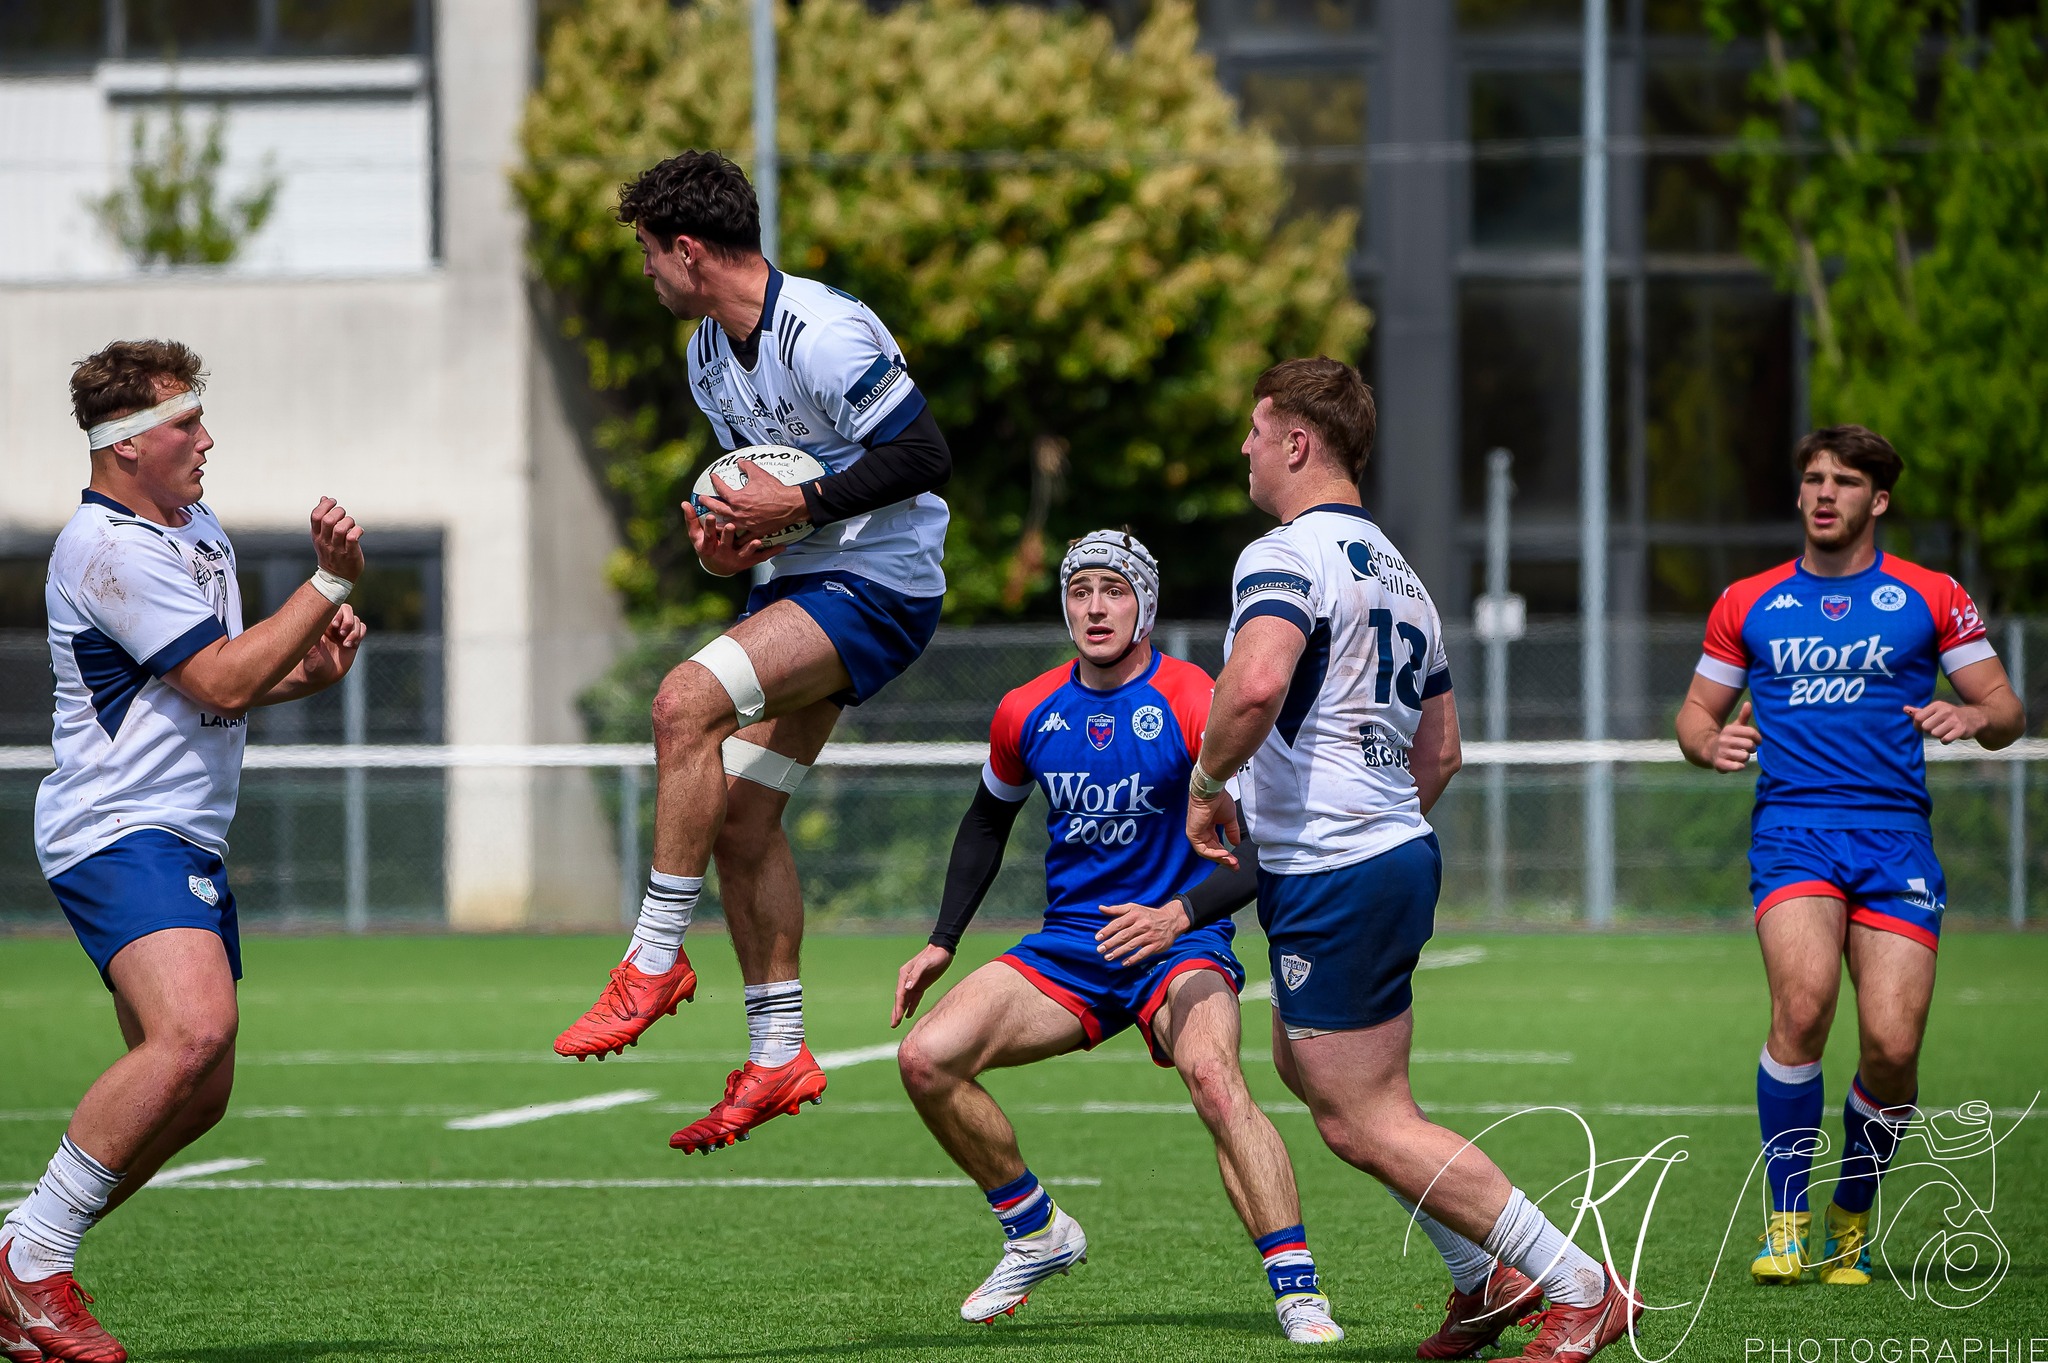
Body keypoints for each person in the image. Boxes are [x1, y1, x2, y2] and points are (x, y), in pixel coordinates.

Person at [1186, 357, 1643, 1363]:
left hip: (1337, 869)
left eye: (1255, 432)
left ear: (1296, 441)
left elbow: (1255, 683)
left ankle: (1577, 1284)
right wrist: (1376, 826)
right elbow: (1442, 751)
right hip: (1386, 851)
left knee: (1359, 1117)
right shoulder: (1400, 572)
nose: (1245, 449)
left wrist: (1205, 781)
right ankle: (1487, 1280)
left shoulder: (1285, 553)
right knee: (1304, 1068)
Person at [551, 152, 956, 1156]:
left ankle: (651, 960)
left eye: (648, 253)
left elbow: (922, 454)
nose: (646, 271)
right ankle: (778, 1053)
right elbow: (762, 488)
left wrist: (799, 508)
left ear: (688, 251)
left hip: (879, 585)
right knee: (737, 815)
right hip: (802, 583)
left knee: (682, 703)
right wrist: (729, 535)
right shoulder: (703, 354)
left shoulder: (823, 332)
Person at [1, 340, 368, 1363]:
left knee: (199, 1093)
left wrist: (311, 669)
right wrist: (327, 587)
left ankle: (22, 1251)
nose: (206, 440)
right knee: (194, 1029)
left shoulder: (194, 529)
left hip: (182, 831)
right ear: (124, 447)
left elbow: (218, 687)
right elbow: (221, 683)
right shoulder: (105, 548)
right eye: (184, 424)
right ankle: (31, 1265)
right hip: (118, 828)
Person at [889, 531, 1343, 1343]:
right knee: (926, 1058)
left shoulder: (1196, 697)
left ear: (1146, 603)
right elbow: (990, 817)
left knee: (1213, 1077)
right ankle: (1036, 1229)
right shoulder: (1026, 707)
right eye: (1080, 590)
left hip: (1180, 943)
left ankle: (1297, 1288)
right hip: (1073, 946)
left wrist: (1178, 915)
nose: (1094, 607)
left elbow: (1261, 847)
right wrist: (942, 938)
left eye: (1115, 589)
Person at [1675, 424, 2023, 1287]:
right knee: (1802, 1005)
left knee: (1894, 1046)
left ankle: (1851, 1212)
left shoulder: (1931, 595)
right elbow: (1692, 713)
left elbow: (2007, 709)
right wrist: (1706, 742)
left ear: (1879, 500)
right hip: (1793, 829)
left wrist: (1975, 718)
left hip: (1896, 836)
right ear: (1800, 493)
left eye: (1845, 481)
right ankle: (1785, 1224)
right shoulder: (1747, 601)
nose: (1825, 493)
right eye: (1814, 479)